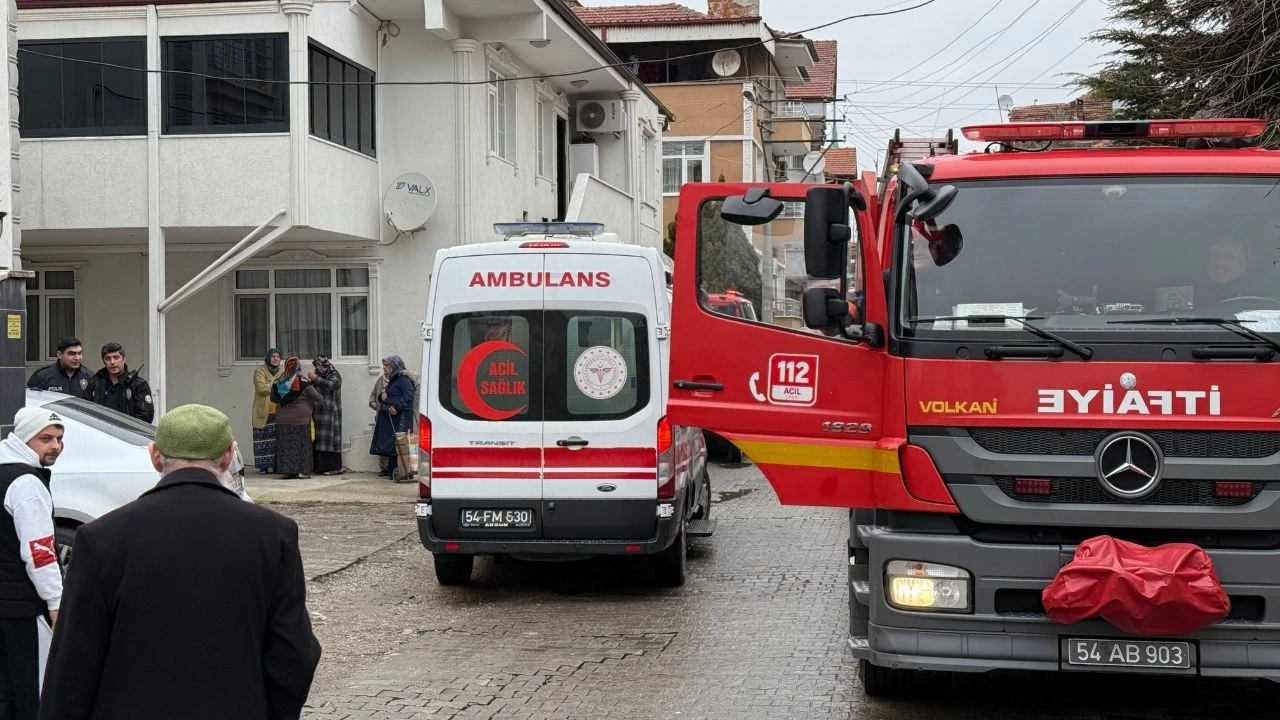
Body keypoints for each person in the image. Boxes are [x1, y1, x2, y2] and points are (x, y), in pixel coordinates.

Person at [37, 404, 321, 720]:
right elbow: (294, 653)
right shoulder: (273, 535)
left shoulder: (102, 538)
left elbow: (73, 662)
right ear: (229, 456)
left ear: (155, 455)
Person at [0, 409, 65, 720]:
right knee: (33, 694)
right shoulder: (27, 483)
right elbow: (40, 552)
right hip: (23, 608)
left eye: (59, 439)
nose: (55, 445)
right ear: (25, 439)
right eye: (46, 438)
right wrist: (56, 602)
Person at [270, 357, 322, 480]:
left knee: (286, 445)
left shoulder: (278, 382)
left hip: (282, 420)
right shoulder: (304, 382)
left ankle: (287, 472)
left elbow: (273, 399)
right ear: (298, 366)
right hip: (301, 420)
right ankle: (302, 472)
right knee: (302, 446)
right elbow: (318, 398)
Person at [369, 355, 415, 479]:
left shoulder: (403, 379)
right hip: (391, 418)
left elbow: (409, 395)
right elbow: (390, 395)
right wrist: (382, 397)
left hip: (400, 417)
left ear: (394, 366)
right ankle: (392, 471)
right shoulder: (394, 379)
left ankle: (402, 472)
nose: (384, 368)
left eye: (386, 365)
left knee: (400, 443)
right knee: (392, 444)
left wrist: (397, 406)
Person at [88, 343, 154, 423]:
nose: (112, 362)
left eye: (116, 357)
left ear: (124, 359)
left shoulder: (138, 385)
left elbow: (145, 417)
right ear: (104, 362)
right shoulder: (95, 383)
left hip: (126, 433)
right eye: (108, 358)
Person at [309, 355, 345, 476]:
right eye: (316, 366)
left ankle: (334, 467)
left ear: (325, 364)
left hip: (331, 414)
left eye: (319, 365)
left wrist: (315, 378)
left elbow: (330, 385)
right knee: (319, 440)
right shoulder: (318, 375)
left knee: (331, 441)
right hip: (318, 413)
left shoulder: (334, 375)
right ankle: (320, 467)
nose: (317, 368)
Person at [26, 338, 93, 401]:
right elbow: (30, 401)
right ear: (59, 355)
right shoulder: (42, 376)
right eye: (71, 354)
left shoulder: (89, 376)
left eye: (79, 353)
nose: (77, 358)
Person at [251, 348, 284, 475]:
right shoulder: (259, 371)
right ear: (268, 358)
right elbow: (260, 388)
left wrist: (271, 386)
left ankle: (276, 466)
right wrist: (276, 386)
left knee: (276, 440)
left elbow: (285, 388)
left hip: (277, 410)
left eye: (278, 357)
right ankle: (263, 467)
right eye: (273, 356)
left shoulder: (282, 372)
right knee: (262, 438)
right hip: (263, 410)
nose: (276, 359)